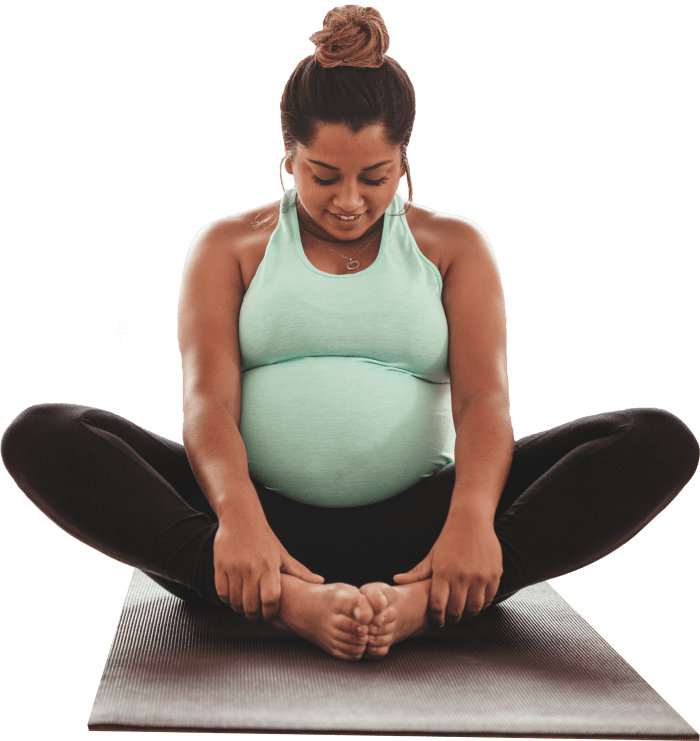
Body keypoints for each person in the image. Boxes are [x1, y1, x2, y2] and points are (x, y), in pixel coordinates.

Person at [1, 3, 699, 663]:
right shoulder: (227, 246)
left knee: (654, 439)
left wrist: (471, 521)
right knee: (44, 432)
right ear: (288, 155)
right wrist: (239, 520)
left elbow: (484, 402)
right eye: (323, 175)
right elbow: (206, 403)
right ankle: (285, 599)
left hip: (421, 530)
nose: (349, 200)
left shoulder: (455, 245)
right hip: (252, 528)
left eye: (376, 176)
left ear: (404, 157)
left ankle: (428, 599)